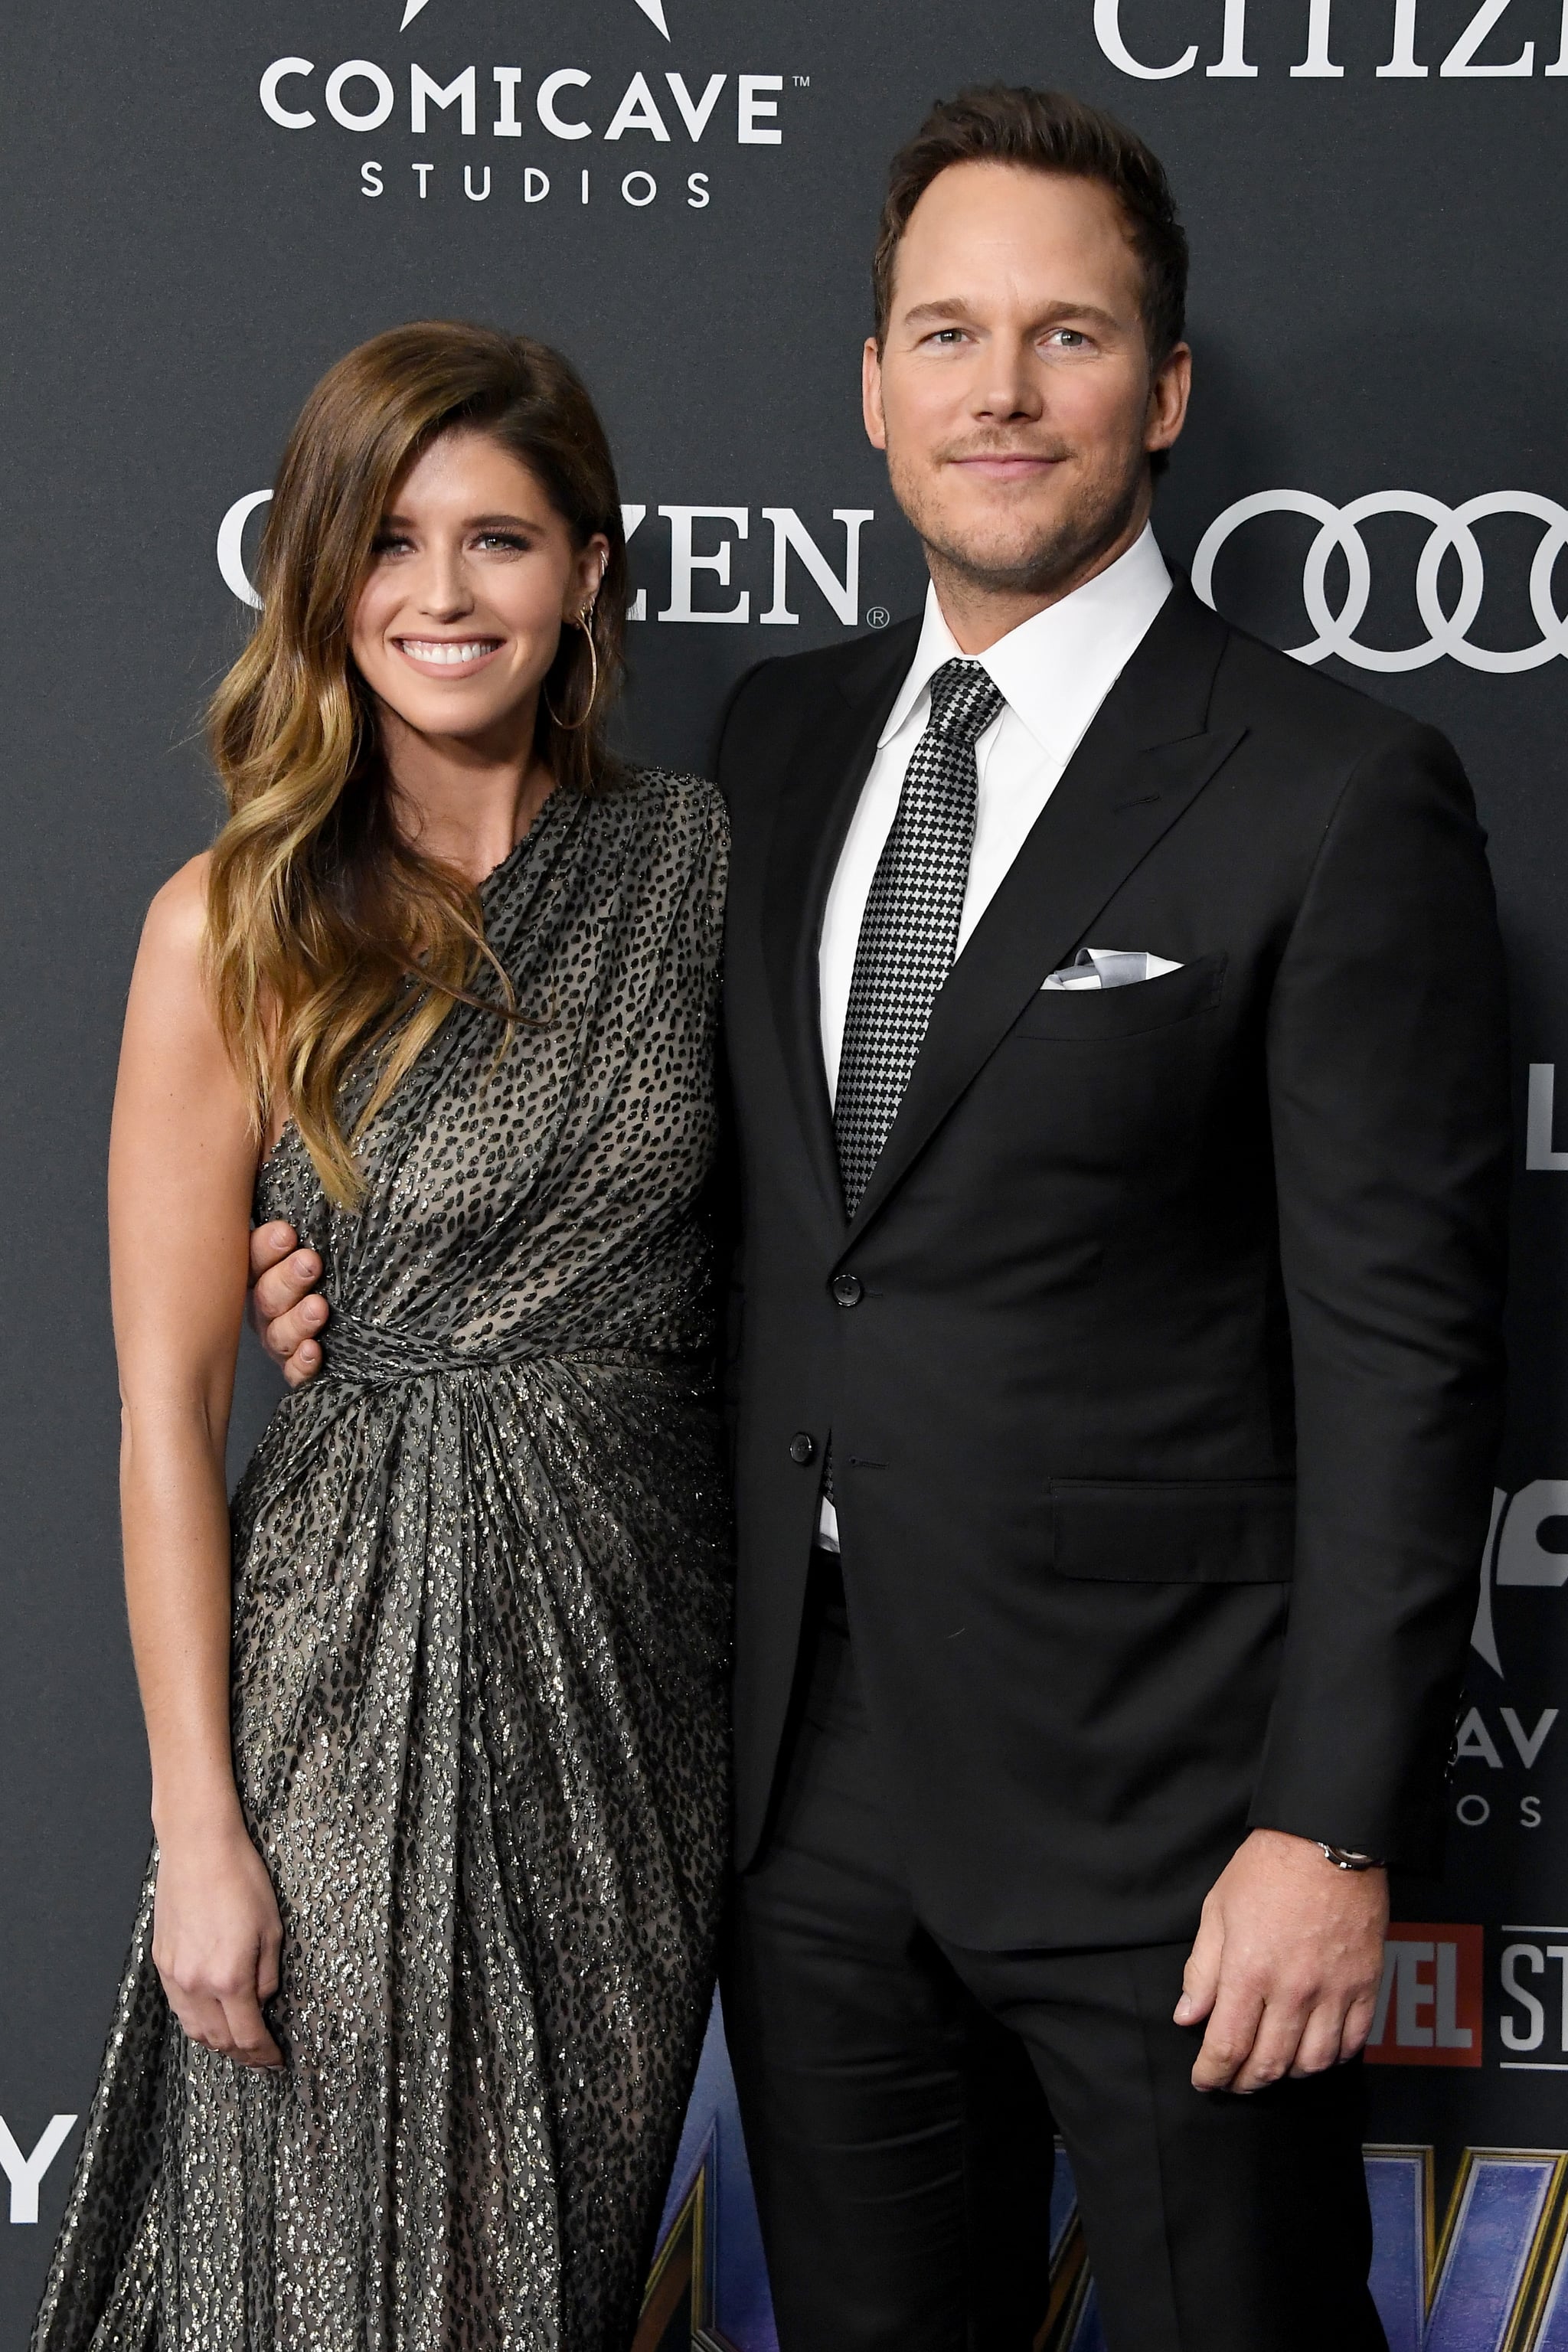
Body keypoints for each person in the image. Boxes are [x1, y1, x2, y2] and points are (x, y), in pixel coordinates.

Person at [253, 87, 1512, 2352]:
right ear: (871, 386)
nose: (1000, 393)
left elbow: (1409, 1360)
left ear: (1168, 392)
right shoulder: (779, 745)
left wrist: (1326, 1834)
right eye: (946, 333)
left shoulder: (1333, 792)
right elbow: (697, 1192)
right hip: (802, 1804)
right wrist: (379, 1269)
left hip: (1176, 1821)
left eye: (1065, 336)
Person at [34, 322, 731, 2352]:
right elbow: (167, 1412)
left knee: (557, 2270)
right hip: (345, 1673)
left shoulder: (702, 869)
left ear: (591, 575)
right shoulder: (232, 921)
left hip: (642, 1678)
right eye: (394, 541)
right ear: (322, 576)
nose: (444, 595)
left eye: (501, 539)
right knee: (344, 2268)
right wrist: (198, 1829)